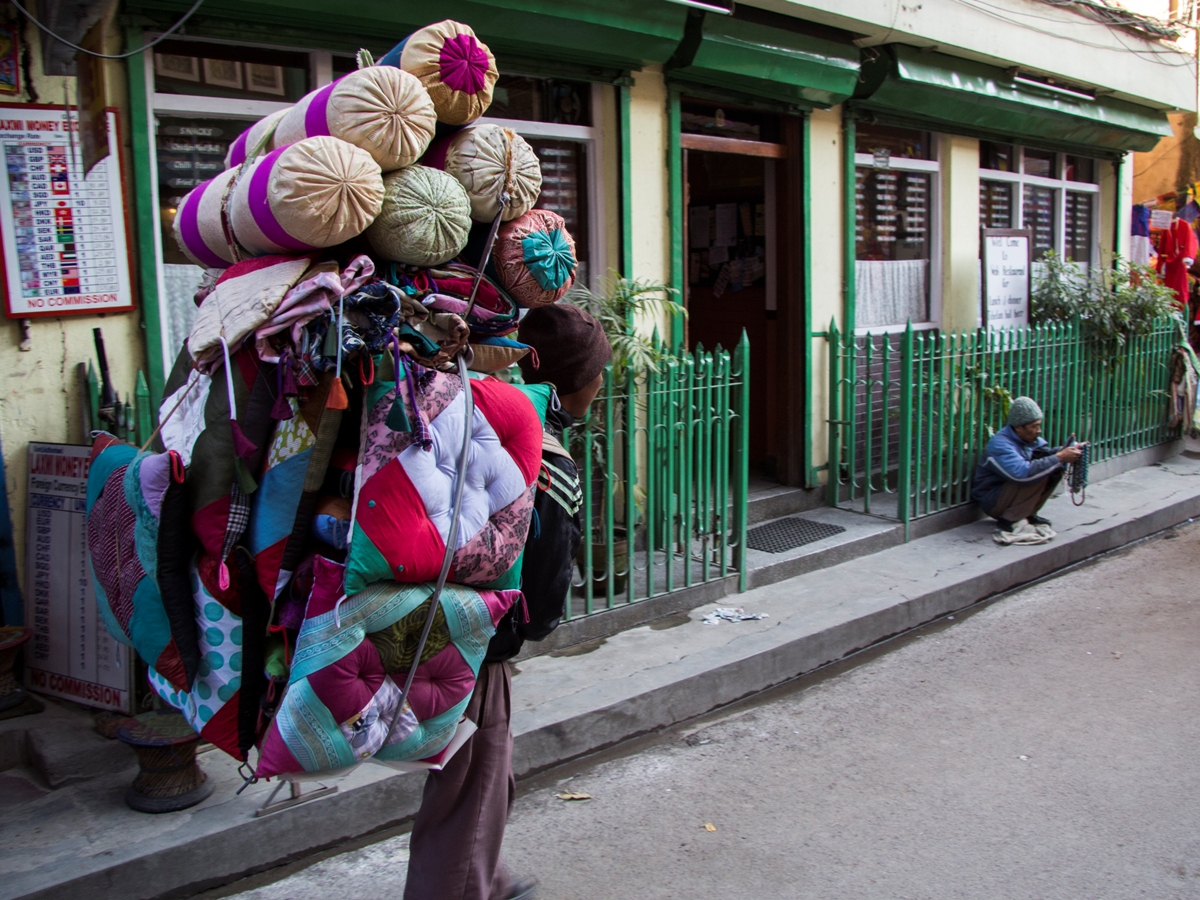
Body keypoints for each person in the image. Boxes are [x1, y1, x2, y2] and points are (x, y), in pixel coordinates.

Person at [403, 304, 611, 900]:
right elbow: (541, 606)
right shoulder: (547, 460)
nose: (602, 381)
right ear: (574, 381)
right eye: (597, 370)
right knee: (472, 779)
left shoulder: (476, 423)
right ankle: (466, 888)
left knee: (480, 775)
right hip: (480, 644)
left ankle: (487, 879)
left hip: (444, 622)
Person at [971, 396, 1084, 533]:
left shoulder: (1026, 438)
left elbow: (1043, 455)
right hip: (993, 501)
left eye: (1039, 425)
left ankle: (1027, 513)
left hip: (1009, 492)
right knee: (1040, 470)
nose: (1039, 430)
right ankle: (1010, 519)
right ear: (1019, 428)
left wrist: (1067, 450)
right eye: (1034, 426)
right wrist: (1059, 457)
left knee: (1052, 468)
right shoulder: (1000, 445)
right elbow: (1022, 474)